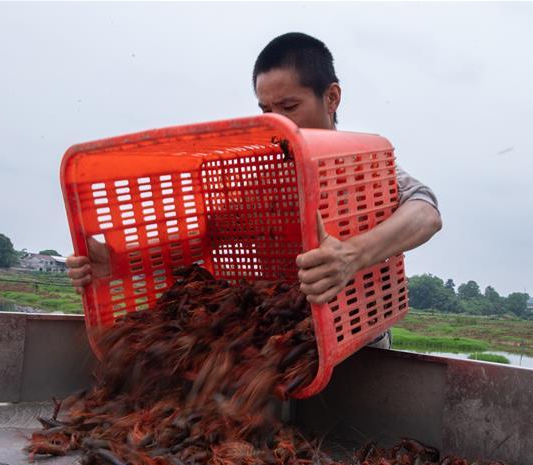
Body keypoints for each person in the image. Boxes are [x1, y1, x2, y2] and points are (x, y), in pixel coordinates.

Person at [67, 33, 441, 348]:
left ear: (331, 98)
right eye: (266, 109)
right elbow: (209, 236)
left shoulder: (361, 163)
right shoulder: (263, 175)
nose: (277, 121)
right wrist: (117, 262)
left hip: (356, 340)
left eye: (289, 106)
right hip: (275, 336)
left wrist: (351, 256)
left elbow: (425, 212)